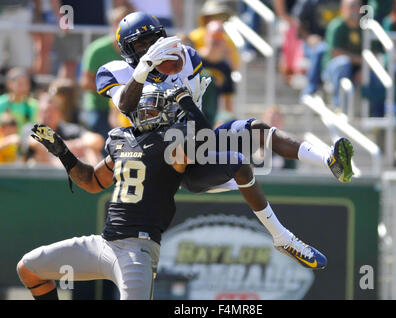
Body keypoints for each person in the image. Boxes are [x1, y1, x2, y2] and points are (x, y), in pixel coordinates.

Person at [16, 83, 326, 300]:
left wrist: (187, 101)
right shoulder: (122, 141)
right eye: (144, 110)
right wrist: (62, 152)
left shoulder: (172, 142)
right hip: (103, 243)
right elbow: (92, 181)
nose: (147, 115)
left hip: (137, 251)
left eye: (153, 110)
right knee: (28, 269)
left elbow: (208, 140)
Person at [98, 11, 355, 192]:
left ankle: (328, 159)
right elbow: (125, 105)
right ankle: (279, 232)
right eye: (142, 44)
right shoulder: (116, 71)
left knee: (257, 130)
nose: (151, 47)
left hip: (190, 144)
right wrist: (143, 69)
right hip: (150, 151)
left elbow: (195, 116)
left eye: (154, 40)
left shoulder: (185, 58)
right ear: (128, 49)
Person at [79, 5, 133, 139]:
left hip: (129, 107)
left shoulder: (138, 48)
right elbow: (85, 82)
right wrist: (114, 91)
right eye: (119, 22)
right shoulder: (97, 50)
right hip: (100, 108)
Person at [24, 93, 104, 166]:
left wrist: (68, 147)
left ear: (59, 113)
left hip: (71, 170)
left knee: (91, 150)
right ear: (38, 113)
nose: (47, 115)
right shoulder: (32, 128)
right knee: (39, 153)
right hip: (42, 173)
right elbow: (35, 143)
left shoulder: (68, 129)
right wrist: (69, 148)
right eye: (44, 111)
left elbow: (96, 140)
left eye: (51, 111)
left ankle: (96, 180)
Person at [293, 0, 340, 96]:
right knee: (320, 49)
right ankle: (311, 87)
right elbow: (297, 22)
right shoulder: (309, 2)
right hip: (317, 43)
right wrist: (308, 37)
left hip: (336, 44)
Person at [322, 0, 363, 108]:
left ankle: (376, 114)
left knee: (373, 72)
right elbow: (336, 53)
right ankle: (339, 106)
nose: (354, 10)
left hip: (356, 69)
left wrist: (363, 70)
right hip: (333, 69)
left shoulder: (364, 28)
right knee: (343, 63)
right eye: (351, 7)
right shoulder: (337, 26)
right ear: (343, 8)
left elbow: (373, 52)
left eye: (356, 7)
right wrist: (360, 60)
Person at [189, 1, 240, 71]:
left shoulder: (227, 40)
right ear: (207, 18)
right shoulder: (194, 36)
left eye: (222, 16)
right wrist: (207, 52)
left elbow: (234, 67)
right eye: (215, 16)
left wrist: (226, 53)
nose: (219, 20)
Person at [0, 67, 38, 133]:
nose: (23, 87)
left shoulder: (34, 105)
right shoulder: (1, 103)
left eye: (26, 84)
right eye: (20, 84)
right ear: (9, 84)